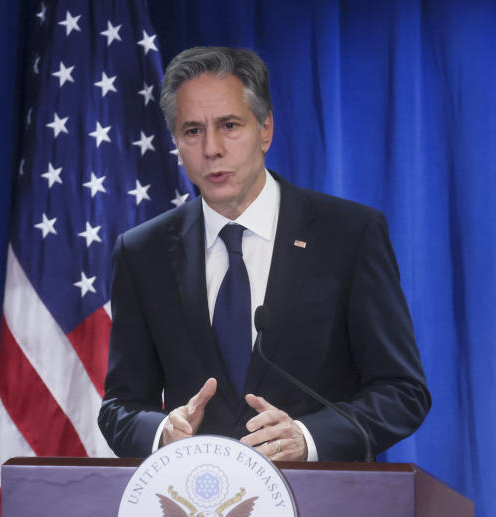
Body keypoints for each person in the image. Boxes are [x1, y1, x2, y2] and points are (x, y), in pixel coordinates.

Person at [98, 46, 429, 462]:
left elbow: (402, 391)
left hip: (323, 510)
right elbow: (120, 407)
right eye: (193, 131)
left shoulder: (349, 235)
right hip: (198, 509)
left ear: (266, 129)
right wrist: (164, 431)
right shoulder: (142, 252)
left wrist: (308, 438)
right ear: (177, 143)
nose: (212, 148)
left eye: (229, 125)